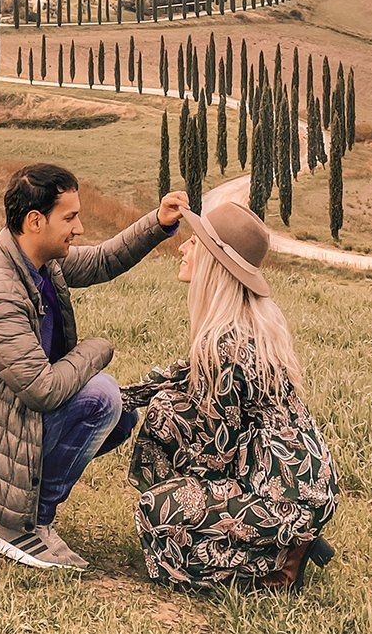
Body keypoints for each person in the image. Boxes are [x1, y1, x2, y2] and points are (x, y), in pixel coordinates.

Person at [0, 161, 188, 570]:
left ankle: (18, 508)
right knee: (101, 398)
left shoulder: (40, 262)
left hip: (10, 423)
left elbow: (103, 260)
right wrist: (98, 349)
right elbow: (42, 390)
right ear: (34, 221)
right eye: (70, 217)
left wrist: (158, 221)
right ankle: (19, 525)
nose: (79, 228)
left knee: (120, 412)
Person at [121, 201, 339, 592]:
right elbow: (171, 380)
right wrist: (95, 395)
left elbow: (214, 456)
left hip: (281, 494)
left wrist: (179, 490)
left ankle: (278, 564)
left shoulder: (224, 344)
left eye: (195, 242)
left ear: (212, 263)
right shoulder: (242, 325)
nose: (183, 247)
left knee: (157, 515)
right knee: (165, 410)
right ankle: (280, 538)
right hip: (300, 483)